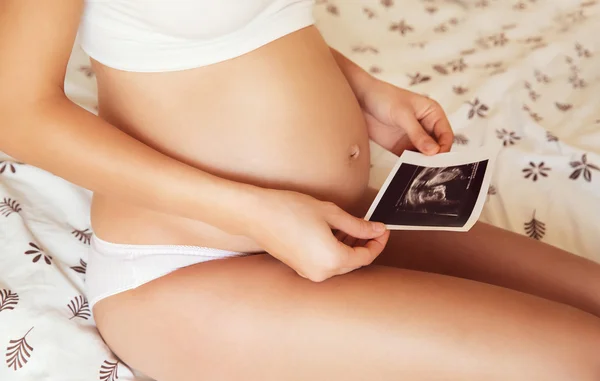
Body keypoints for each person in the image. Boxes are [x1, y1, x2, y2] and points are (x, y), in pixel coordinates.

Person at [1, 1, 599, 380]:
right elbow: (16, 112)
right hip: (190, 270)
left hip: (336, 219)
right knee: (584, 359)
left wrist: (363, 91)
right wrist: (256, 213)